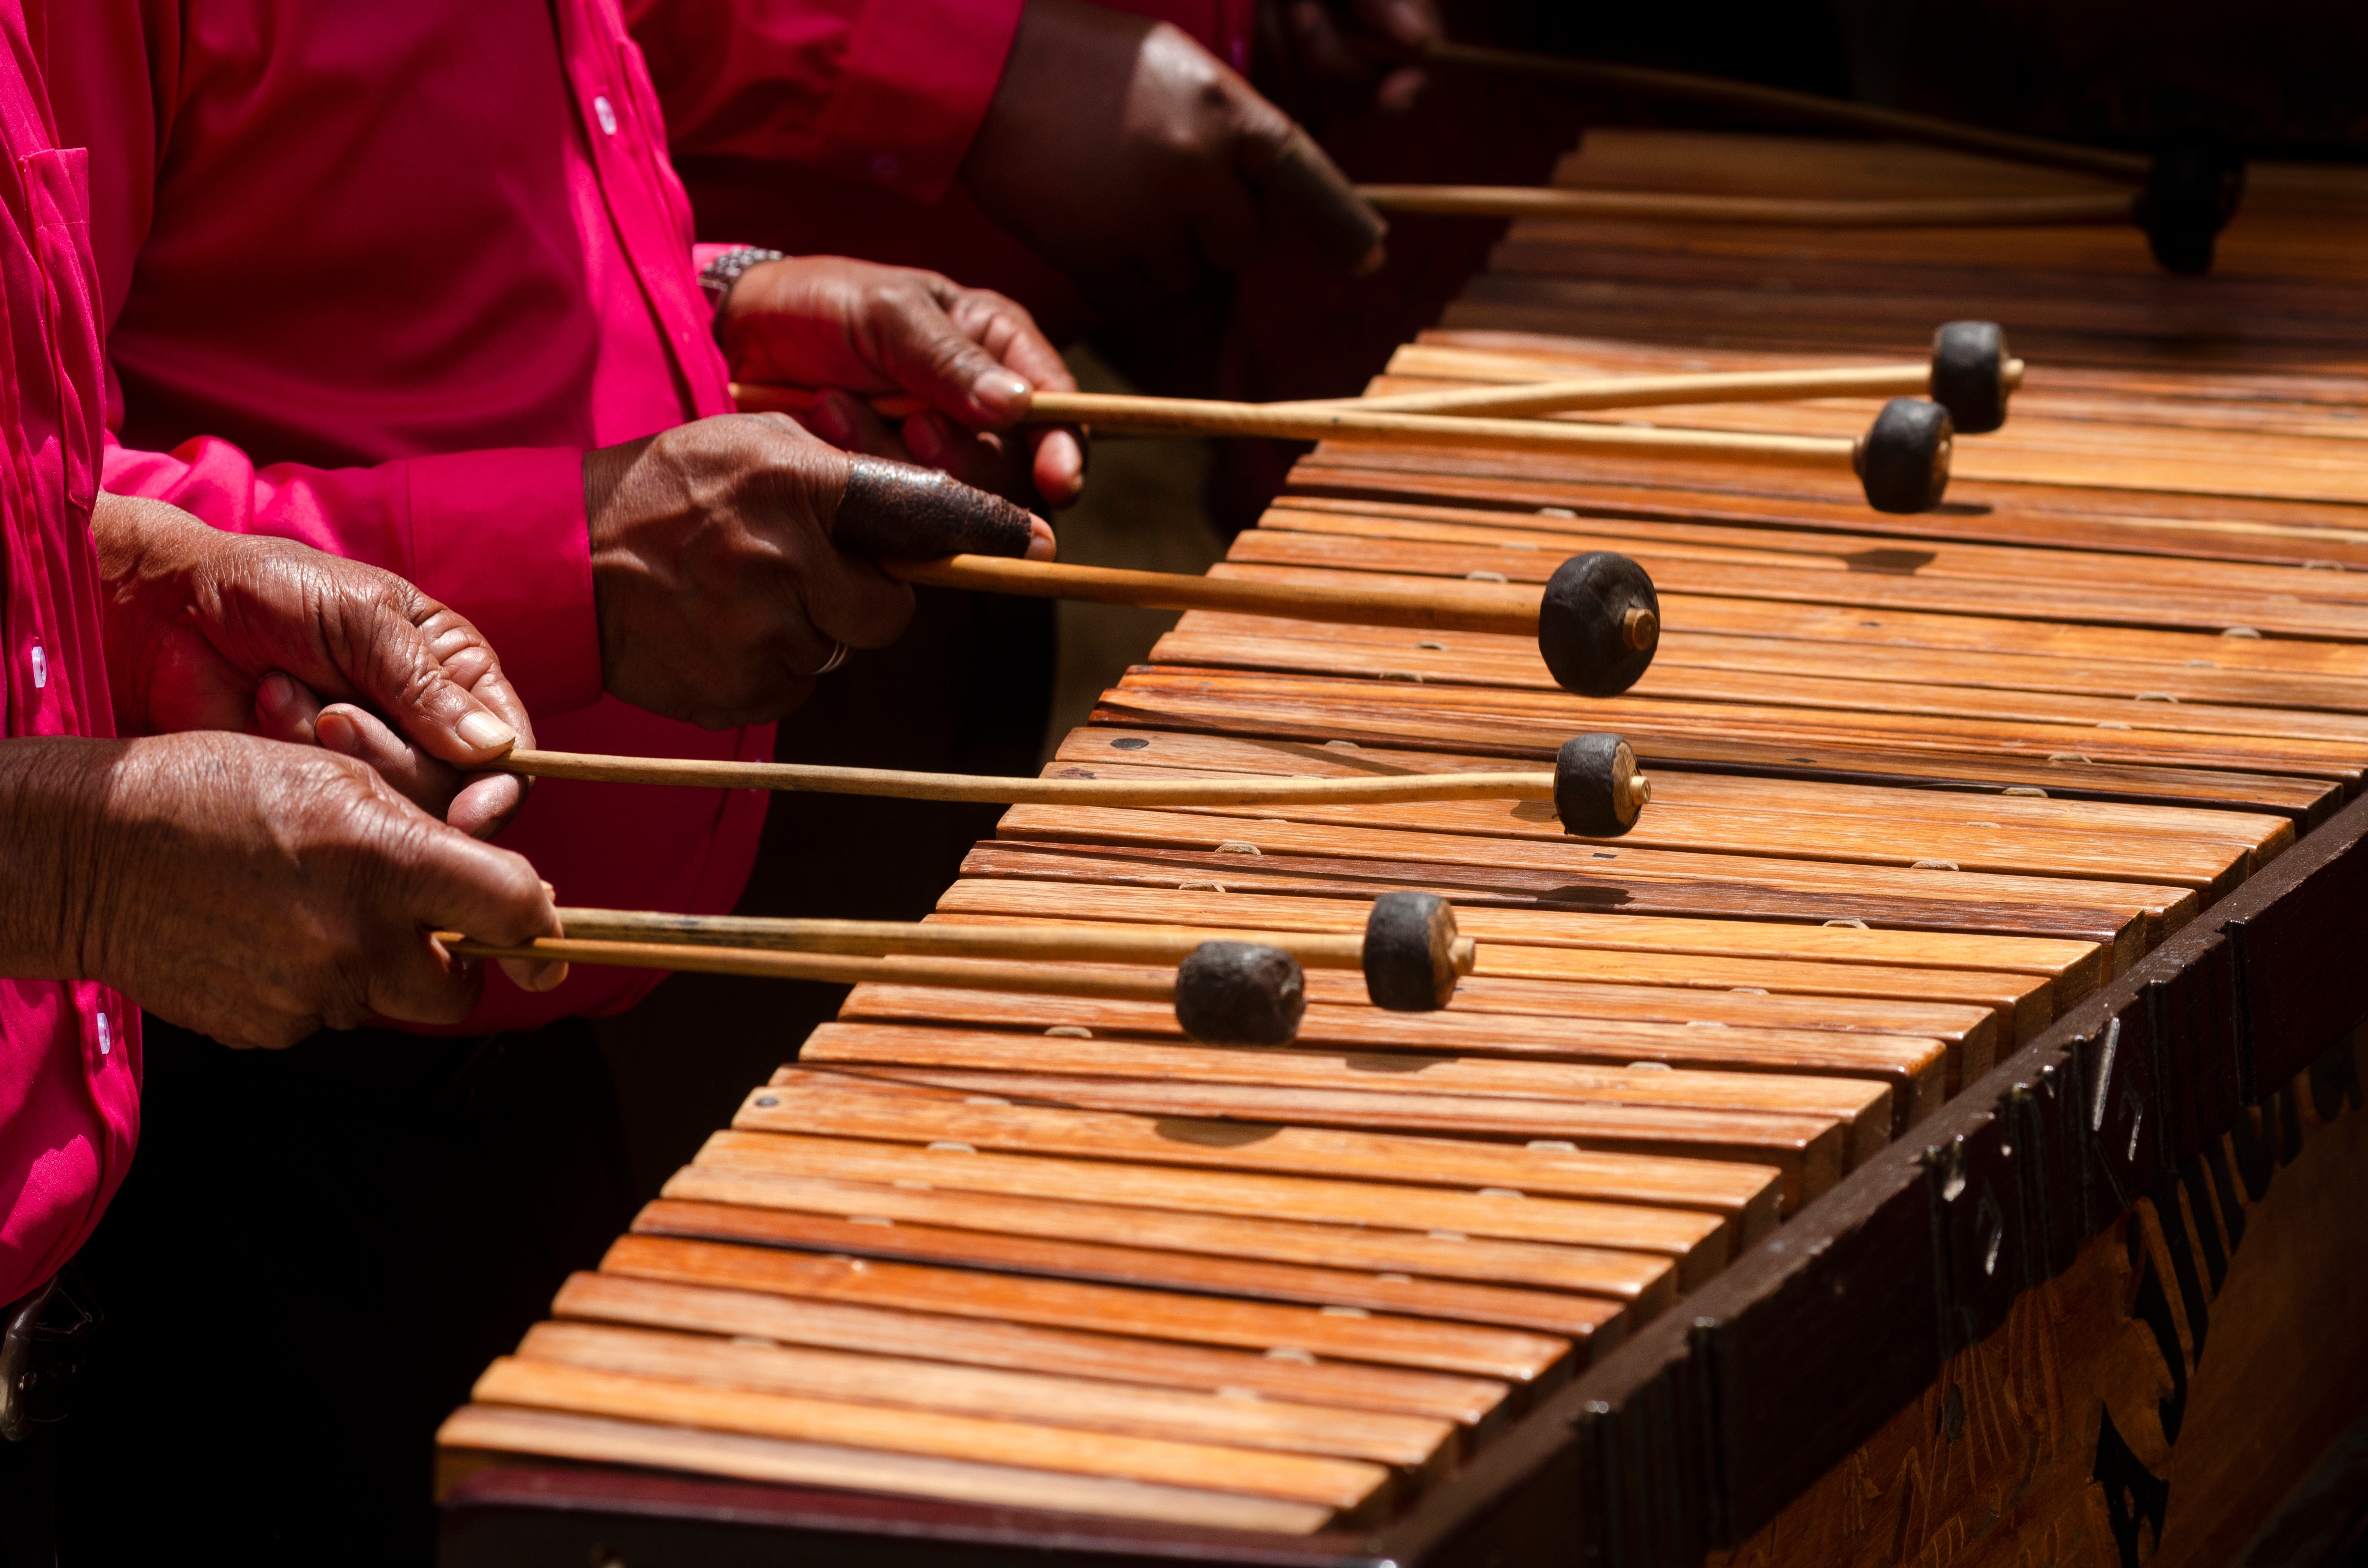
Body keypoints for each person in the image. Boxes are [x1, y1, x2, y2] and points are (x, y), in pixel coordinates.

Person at [38, 0, 1077, 1559]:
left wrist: (715, 302)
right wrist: (566, 552)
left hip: (523, 1097)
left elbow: (354, 229)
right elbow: (39, 514)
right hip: (248, 1118)